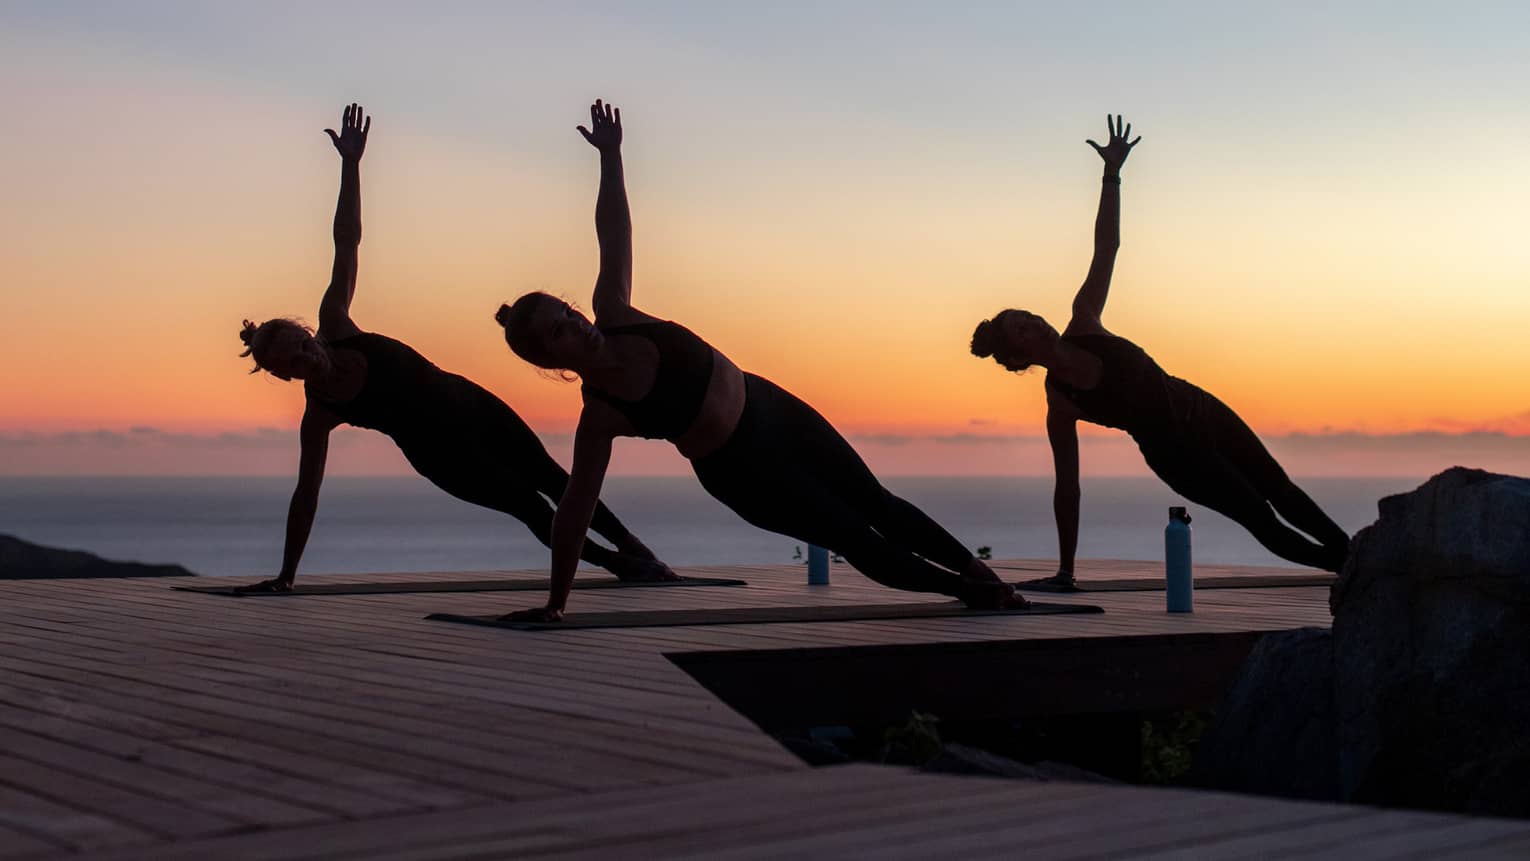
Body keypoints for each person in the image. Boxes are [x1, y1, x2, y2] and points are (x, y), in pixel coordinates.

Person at [495, 100, 1024, 621]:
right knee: (851, 536)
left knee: (876, 503)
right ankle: (963, 591)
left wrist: (611, 156)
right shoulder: (601, 415)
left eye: (567, 311)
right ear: (550, 359)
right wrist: (556, 602)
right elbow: (574, 510)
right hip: (743, 471)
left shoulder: (615, 310)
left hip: (770, 407)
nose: (576, 324)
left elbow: (614, 233)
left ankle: (979, 576)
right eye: (559, 331)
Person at [236, 103, 671, 593]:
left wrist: (350, 166)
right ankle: (618, 566)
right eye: (292, 362)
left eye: (300, 343)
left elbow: (346, 241)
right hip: (442, 457)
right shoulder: (320, 412)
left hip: (473, 406)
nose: (305, 356)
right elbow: (306, 494)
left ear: (306, 331)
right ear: (285, 376)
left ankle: (636, 549)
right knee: (526, 506)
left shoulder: (336, 321)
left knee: (554, 478)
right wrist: (287, 576)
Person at [971, 115, 1349, 587]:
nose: (1034, 323)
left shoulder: (1084, 319)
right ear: (1018, 358)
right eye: (1021, 330)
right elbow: (1068, 488)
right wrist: (1066, 571)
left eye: (1027, 316)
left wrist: (1112, 174)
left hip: (1200, 407)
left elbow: (1107, 246)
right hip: (1178, 458)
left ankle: (1360, 558)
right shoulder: (1061, 402)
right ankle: (1348, 571)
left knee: (1281, 490)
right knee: (1261, 518)